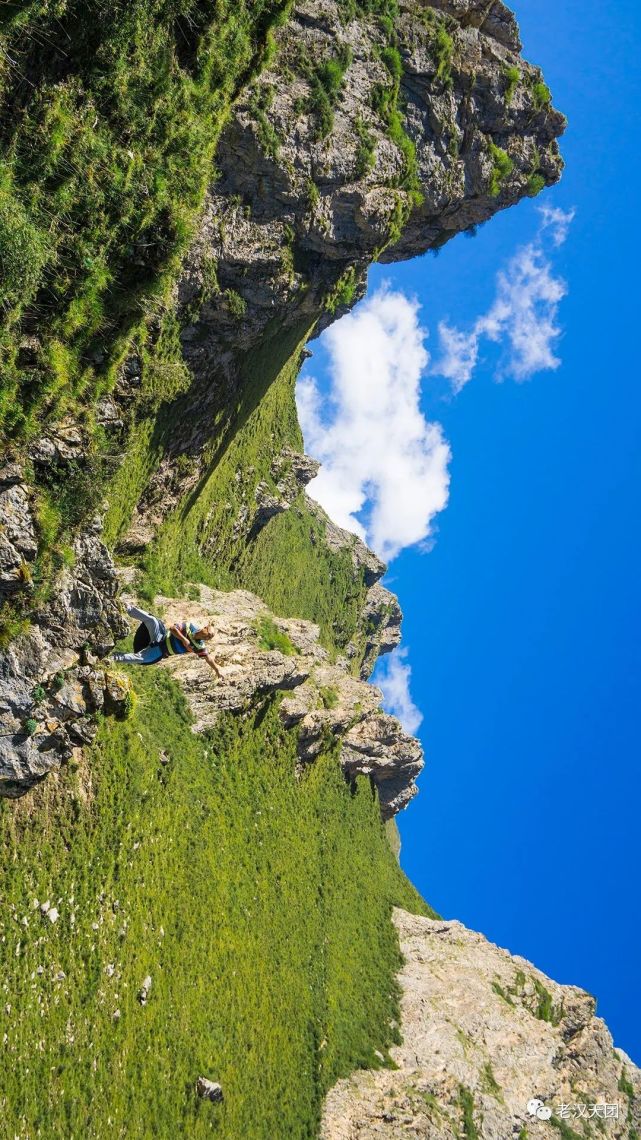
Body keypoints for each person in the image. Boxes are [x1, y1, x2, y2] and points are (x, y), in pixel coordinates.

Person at [112, 604, 224, 677]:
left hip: (160, 651)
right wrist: (184, 639)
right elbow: (173, 628)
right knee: (152, 620)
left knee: (140, 658)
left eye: (210, 637)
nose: (208, 637)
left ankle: (112, 658)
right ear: (204, 628)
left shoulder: (199, 646)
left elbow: (208, 658)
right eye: (208, 633)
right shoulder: (190, 626)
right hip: (160, 636)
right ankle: (125, 608)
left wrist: (217, 670)